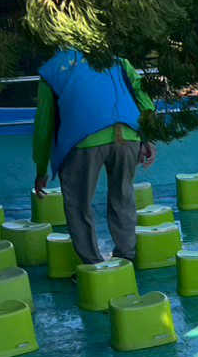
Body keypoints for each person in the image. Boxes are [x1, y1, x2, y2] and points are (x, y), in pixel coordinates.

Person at [33, 49, 157, 264]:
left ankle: (93, 265)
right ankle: (126, 258)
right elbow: (144, 99)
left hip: (82, 142)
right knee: (123, 197)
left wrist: (41, 169)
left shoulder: (53, 69)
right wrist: (148, 138)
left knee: (78, 205)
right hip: (127, 136)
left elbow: (44, 125)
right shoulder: (118, 59)